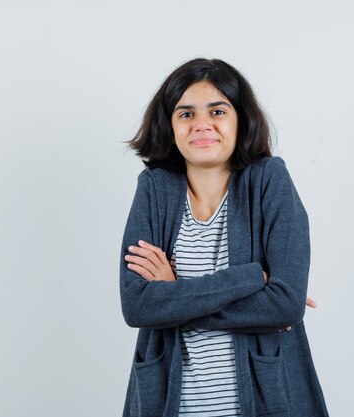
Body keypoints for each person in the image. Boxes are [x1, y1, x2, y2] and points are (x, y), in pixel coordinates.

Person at [119, 58, 329, 417]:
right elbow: (138, 306)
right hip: (172, 404)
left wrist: (173, 293)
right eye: (186, 114)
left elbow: (286, 305)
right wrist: (250, 278)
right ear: (169, 126)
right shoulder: (154, 189)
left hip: (268, 402)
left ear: (239, 120)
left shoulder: (270, 181)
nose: (202, 124)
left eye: (217, 111)